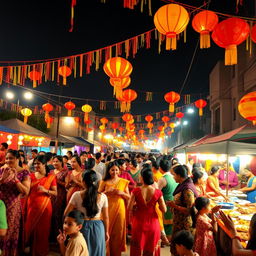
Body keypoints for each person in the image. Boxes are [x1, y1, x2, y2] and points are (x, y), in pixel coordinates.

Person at [65, 170, 109, 256]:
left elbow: (66, 213)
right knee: (97, 250)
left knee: (83, 251)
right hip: (98, 227)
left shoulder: (77, 195)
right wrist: (106, 232)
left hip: (81, 226)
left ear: (83, 182)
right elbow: (106, 217)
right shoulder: (103, 196)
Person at [128, 167, 167, 256]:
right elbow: (164, 209)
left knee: (137, 248)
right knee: (151, 247)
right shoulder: (158, 192)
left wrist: (137, 205)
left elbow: (129, 207)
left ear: (142, 177)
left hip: (139, 222)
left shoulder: (136, 190)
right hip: (153, 223)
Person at [25, 155, 57, 256]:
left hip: (45, 207)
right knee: (30, 228)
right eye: (35, 163)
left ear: (44, 164)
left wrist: (45, 190)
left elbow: (55, 193)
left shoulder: (51, 177)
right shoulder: (31, 176)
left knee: (43, 230)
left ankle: (41, 252)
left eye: (38, 163)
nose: (36, 165)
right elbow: (26, 190)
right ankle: (31, 251)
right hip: (31, 205)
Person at [0, 149, 30, 256]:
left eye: (11, 158)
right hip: (0, 205)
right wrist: (2, 179)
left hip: (13, 207)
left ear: (18, 159)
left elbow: (26, 191)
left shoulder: (24, 172)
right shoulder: (1, 170)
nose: (8, 161)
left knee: (8, 232)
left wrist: (15, 179)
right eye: (7, 158)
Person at [99, 161, 130, 256]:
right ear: (108, 171)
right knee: (107, 230)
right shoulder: (104, 182)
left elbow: (129, 196)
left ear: (119, 171)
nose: (115, 172)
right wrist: (106, 192)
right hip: (106, 208)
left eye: (116, 170)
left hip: (120, 209)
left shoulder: (124, 182)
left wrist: (122, 193)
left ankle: (116, 253)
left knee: (119, 231)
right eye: (112, 170)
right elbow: (98, 195)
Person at [167, 165, 198, 256]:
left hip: (184, 224)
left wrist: (174, 206)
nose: (173, 177)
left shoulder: (187, 189)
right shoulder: (182, 185)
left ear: (179, 175)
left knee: (181, 249)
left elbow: (190, 210)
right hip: (178, 221)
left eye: (174, 175)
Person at [157, 159, 177, 240]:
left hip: (165, 202)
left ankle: (165, 240)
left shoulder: (162, 179)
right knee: (171, 223)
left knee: (165, 223)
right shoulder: (173, 177)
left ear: (160, 168)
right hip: (173, 201)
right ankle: (170, 238)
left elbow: (157, 192)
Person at [50, 156, 69, 241]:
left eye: (57, 161)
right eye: (53, 161)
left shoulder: (66, 172)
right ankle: (51, 236)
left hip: (60, 195)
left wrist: (56, 181)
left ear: (61, 162)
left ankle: (60, 236)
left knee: (58, 215)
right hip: (51, 195)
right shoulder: (51, 171)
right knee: (51, 214)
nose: (55, 163)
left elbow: (66, 185)